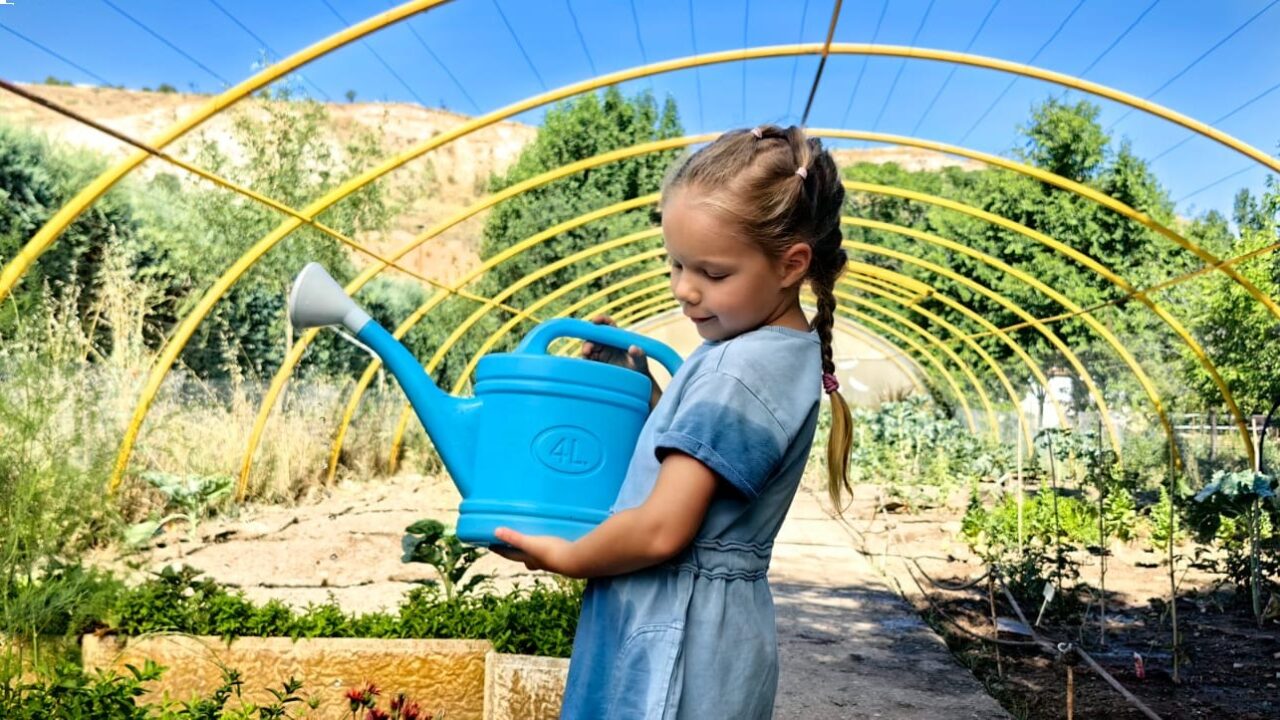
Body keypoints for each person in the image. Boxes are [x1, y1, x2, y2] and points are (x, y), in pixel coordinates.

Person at [493, 124, 854, 719]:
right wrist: (649, 395)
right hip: (719, 634)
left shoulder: (737, 369)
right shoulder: (775, 351)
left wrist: (564, 556)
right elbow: (705, 456)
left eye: (712, 274)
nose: (685, 290)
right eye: (676, 264)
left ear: (791, 265)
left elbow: (664, 528)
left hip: (673, 631)